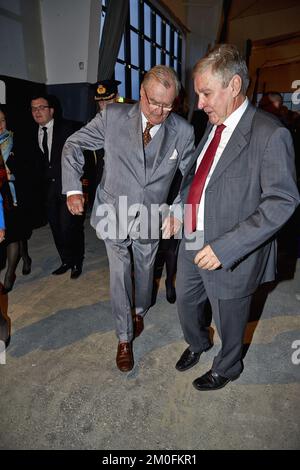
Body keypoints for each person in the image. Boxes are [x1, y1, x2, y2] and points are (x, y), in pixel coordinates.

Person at [167, 44, 299, 391]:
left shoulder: (271, 134)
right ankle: (198, 344)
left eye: (206, 93)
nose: (200, 104)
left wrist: (226, 247)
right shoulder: (213, 123)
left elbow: (282, 201)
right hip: (193, 235)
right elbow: (197, 177)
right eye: (198, 94)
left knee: (229, 318)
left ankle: (228, 366)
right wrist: (181, 209)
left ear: (235, 86)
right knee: (186, 301)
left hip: (231, 250)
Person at [62, 65, 195, 372]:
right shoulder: (113, 117)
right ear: (141, 94)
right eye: (154, 102)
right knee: (119, 272)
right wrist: (71, 189)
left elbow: (192, 176)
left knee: (146, 269)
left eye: (168, 104)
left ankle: (140, 308)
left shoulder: (184, 131)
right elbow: (74, 143)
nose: (161, 111)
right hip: (113, 210)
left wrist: (177, 209)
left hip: (151, 215)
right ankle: (124, 337)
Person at [30, 94, 85, 279]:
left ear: (51, 110)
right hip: (47, 191)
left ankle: (77, 261)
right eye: (34, 108)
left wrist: (81, 185)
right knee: (55, 227)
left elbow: (80, 158)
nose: (37, 111)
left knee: (70, 227)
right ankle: (66, 260)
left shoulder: (68, 128)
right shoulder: (31, 133)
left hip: (67, 187)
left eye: (41, 107)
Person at [0, 105, 33, 293]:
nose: (0, 124)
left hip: (12, 195)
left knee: (13, 234)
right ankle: (26, 256)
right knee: (17, 235)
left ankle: (9, 274)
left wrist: (12, 172)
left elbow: (26, 166)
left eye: (3, 120)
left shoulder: (15, 140)